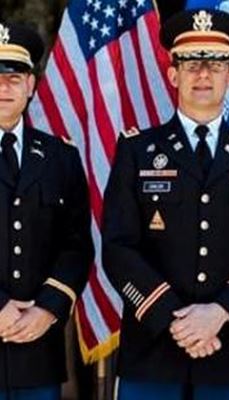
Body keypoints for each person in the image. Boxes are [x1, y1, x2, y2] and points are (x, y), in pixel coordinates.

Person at [102, 9, 229, 400]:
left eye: (217, 63)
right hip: (152, 347)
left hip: (227, 346)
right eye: (191, 63)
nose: (203, 74)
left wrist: (220, 312)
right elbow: (118, 245)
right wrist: (175, 319)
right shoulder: (137, 151)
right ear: (174, 75)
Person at [0, 22, 93, 400]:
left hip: (37, 345)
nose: (4, 86)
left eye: (14, 76)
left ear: (31, 87)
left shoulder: (62, 158)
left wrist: (47, 310)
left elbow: (76, 245)